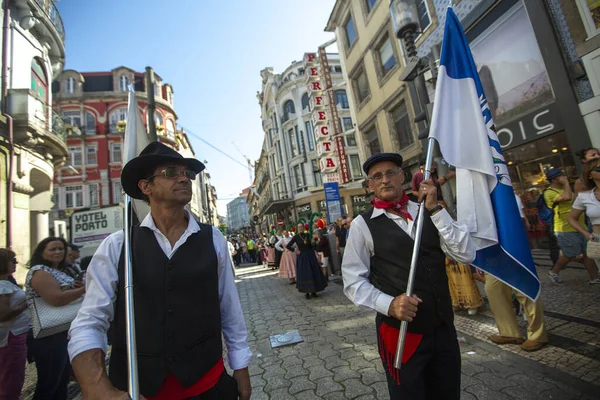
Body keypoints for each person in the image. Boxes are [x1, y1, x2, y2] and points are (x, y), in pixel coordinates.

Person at [68, 142, 252, 400]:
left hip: (208, 386)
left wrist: (240, 366)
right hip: (138, 391)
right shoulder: (118, 246)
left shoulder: (214, 239)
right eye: (170, 172)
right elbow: (89, 323)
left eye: (187, 174)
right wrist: (98, 388)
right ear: (146, 186)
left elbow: (229, 308)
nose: (184, 178)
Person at [342, 153, 476, 399]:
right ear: (370, 185)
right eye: (377, 176)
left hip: (443, 330)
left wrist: (436, 208)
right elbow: (353, 282)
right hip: (401, 335)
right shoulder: (362, 225)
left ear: (402, 176)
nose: (385, 180)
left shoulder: (429, 210)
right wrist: (390, 304)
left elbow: (465, 254)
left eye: (391, 172)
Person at [26, 236, 86, 400]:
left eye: (61, 249)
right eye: (53, 249)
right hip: (48, 334)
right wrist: (84, 290)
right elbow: (56, 298)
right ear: (41, 252)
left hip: (62, 332)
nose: (58, 252)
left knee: (61, 382)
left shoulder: (60, 271)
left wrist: (73, 287)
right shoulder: (39, 271)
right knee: (49, 384)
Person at [544, 168, 599, 284]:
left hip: (581, 226)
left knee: (588, 253)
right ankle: (554, 271)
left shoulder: (567, 189)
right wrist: (566, 184)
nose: (565, 177)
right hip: (564, 228)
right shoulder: (549, 193)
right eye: (562, 176)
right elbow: (567, 197)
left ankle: (594, 278)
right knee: (569, 254)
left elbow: (575, 202)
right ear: (555, 179)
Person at [0, 249, 31, 400]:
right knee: (11, 379)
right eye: (12, 260)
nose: (16, 263)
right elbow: (3, 314)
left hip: (14, 334)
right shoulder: (2, 285)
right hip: (12, 336)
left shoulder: (6, 282)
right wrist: (27, 302)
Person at [569, 158, 600, 274]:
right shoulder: (585, 197)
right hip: (598, 240)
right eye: (599, 168)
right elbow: (571, 218)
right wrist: (586, 234)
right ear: (590, 175)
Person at [287, 223, 328, 299]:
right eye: (299, 227)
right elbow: (288, 246)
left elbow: (312, 246)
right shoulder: (296, 237)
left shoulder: (308, 235)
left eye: (301, 227)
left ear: (303, 227)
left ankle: (313, 291)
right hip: (302, 257)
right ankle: (307, 292)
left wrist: (315, 242)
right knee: (305, 274)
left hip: (310, 256)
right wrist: (295, 250)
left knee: (313, 272)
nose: (300, 228)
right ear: (297, 228)